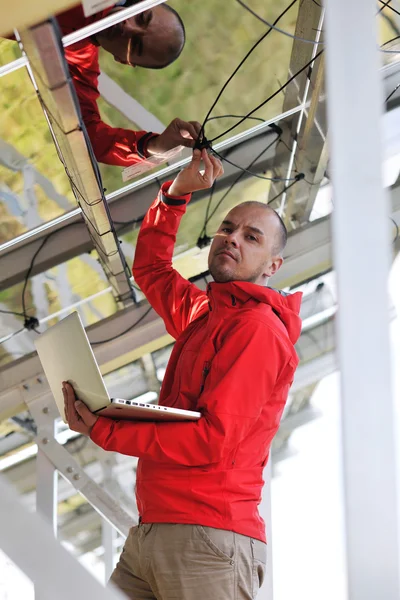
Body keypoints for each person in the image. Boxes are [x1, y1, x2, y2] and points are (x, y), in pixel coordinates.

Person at [63, 149, 302, 599]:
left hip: (207, 540)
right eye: (227, 229)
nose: (232, 239)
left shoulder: (257, 331)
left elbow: (211, 439)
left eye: (252, 237)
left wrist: (108, 430)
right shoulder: (206, 315)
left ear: (273, 266)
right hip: (155, 533)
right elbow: (151, 269)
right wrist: (175, 194)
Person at [56, 1, 200, 166]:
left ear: (124, 60)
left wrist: (153, 145)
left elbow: (87, 134)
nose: (128, 27)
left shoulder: (80, 61)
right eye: (141, 17)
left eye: (136, 44)